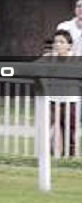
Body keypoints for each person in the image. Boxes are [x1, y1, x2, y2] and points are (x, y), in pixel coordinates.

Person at [42, 29, 79, 157]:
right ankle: (47, 154)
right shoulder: (48, 58)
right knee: (48, 127)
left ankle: (70, 156)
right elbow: (33, 67)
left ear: (69, 45)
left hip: (70, 101)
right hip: (52, 101)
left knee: (70, 130)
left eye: (62, 42)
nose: (58, 45)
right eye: (56, 42)